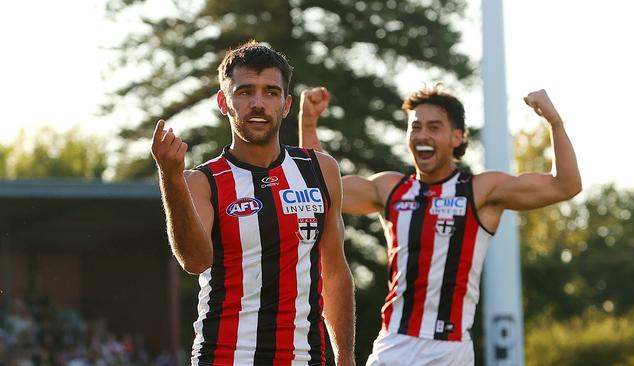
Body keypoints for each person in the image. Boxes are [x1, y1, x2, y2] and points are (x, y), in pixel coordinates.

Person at [299, 85, 581, 365]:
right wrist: (308, 122)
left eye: (434, 127)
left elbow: (565, 185)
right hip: (393, 345)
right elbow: (318, 188)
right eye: (416, 127)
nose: (423, 135)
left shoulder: (481, 190)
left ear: (457, 137)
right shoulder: (390, 189)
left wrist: (554, 121)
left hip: (449, 351)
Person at [151, 41, 355, 366]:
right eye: (245, 92)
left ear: (286, 104)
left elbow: (333, 271)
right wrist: (171, 178)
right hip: (225, 357)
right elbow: (194, 261)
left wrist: (345, 355)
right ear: (224, 101)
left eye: (271, 93)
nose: (258, 103)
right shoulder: (202, 181)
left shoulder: (321, 169)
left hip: (305, 358)